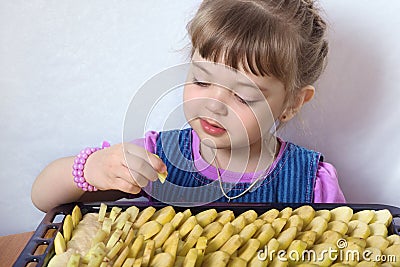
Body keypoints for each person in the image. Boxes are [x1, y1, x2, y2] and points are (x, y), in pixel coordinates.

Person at [31, 0, 345, 212]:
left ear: (291, 104)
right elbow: (43, 197)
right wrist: (93, 168)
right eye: (202, 80)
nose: (215, 105)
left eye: (244, 96)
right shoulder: (156, 157)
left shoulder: (312, 183)